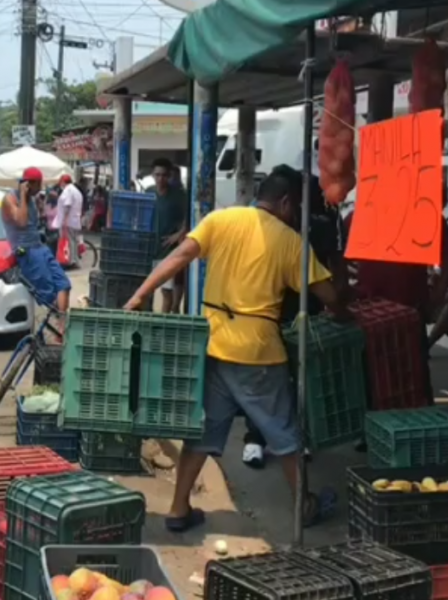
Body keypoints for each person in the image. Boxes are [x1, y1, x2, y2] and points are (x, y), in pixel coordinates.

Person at [125, 164, 347, 533]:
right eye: (296, 210)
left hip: (213, 346)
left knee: (204, 433)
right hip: (259, 355)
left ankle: (179, 508)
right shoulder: (290, 241)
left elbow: (179, 256)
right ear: (286, 202)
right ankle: (303, 506)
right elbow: (329, 296)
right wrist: (344, 300)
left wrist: (139, 295)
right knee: (284, 435)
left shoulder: (220, 220)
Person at [241, 175, 349, 469]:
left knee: (302, 378)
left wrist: (337, 303)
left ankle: (299, 438)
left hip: (309, 310)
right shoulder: (270, 220)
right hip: (272, 307)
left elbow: (336, 264)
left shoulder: (326, 221)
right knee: (267, 378)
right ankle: (255, 439)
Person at [345, 186, 448, 405]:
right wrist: (434, 300)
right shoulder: (361, 216)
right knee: (405, 384)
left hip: (388, 315)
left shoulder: (361, 216)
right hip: (392, 314)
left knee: (389, 384)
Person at [1, 167, 71, 312]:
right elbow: (21, 222)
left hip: (40, 247)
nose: (39, 189)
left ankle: (62, 324)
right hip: (27, 251)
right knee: (48, 291)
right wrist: (22, 193)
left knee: (64, 284)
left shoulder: (32, 199)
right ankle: (55, 319)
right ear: (27, 184)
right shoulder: (11, 199)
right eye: (37, 185)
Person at [147, 158, 189, 314]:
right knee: (148, 290)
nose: (160, 179)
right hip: (149, 248)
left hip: (168, 251)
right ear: (152, 175)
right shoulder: (148, 193)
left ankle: (163, 324)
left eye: (164, 175)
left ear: (169, 176)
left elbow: (190, 216)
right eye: (157, 175)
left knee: (166, 292)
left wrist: (179, 233)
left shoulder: (179, 196)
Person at [53, 174, 84, 265]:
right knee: (74, 241)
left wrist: (64, 220)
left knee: (69, 242)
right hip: (76, 220)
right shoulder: (77, 191)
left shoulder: (68, 190)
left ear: (63, 182)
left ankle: (69, 261)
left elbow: (67, 205)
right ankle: (74, 260)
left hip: (68, 221)